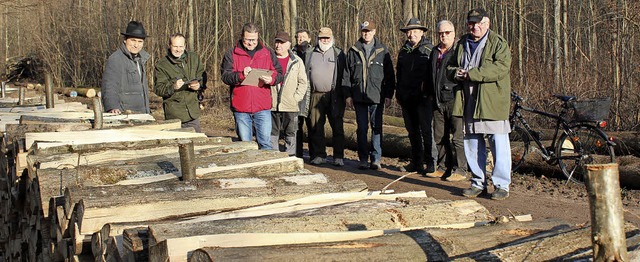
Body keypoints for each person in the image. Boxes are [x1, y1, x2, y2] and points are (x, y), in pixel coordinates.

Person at [448, 8, 512, 200]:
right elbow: (450, 67)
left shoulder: (498, 43)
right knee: (472, 143)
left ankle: (501, 185)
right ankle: (478, 183)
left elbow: (500, 68)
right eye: (471, 23)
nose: (474, 27)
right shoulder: (461, 44)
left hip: (492, 102)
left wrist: (472, 74)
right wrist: (455, 73)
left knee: (498, 144)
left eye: (478, 23)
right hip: (468, 100)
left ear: (487, 23)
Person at [221, 22, 283, 150]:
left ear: (258, 37)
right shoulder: (231, 53)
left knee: (266, 144)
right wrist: (241, 75)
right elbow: (225, 76)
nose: (251, 43)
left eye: (254, 40)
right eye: (247, 40)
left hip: (262, 106)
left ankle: (266, 169)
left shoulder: (268, 52)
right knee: (245, 146)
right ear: (241, 37)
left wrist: (272, 79)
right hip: (241, 107)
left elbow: (280, 74)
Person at [344, 20, 396, 170]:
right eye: (364, 31)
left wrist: (388, 95)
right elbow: (346, 75)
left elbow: (389, 76)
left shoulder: (382, 50)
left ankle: (376, 159)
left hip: (377, 96)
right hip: (358, 96)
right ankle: (362, 158)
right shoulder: (353, 50)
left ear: (374, 32)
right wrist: (348, 95)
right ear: (361, 32)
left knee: (377, 127)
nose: (366, 34)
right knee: (361, 128)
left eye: (369, 31)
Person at [428, 20, 469, 182]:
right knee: (439, 136)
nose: (443, 36)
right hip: (437, 100)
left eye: (447, 33)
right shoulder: (434, 51)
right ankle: (443, 167)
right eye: (440, 33)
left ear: (453, 33)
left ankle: (461, 169)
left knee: (457, 137)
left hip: (455, 99)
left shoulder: (458, 51)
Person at [395, 18, 435, 175]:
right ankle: (416, 162)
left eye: (414, 31)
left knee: (427, 131)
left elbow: (434, 75)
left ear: (422, 32)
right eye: (408, 32)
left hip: (423, 98)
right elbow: (399, 73)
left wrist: (430, 93)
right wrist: (398, 93)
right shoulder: (403, 51)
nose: (411, 34)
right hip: (406, 98)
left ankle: (431, 162)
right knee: (412, 132)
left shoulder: (429, 50)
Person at [305, 27, 347, 166]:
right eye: (322, 38)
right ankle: (319, 155)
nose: (325, 40)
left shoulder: (339, 53)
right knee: (316, 126)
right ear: (318, 38)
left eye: (327, 38)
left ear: (332, 38)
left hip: (334, 96)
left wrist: (346, 95)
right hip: (315, 95)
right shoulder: (310, 53)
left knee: (337, 126)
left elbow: (345, 75)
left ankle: (338, 157)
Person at [154, 33, 205, 132]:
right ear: (169, 45)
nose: (178, 49)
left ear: (185, 46)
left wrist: (199, 85)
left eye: (181, 46)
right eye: (175, 46)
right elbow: (158, 89)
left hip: (192, 113)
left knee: (197, 144)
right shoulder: (162, 65)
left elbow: (202, 77)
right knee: (176, 145)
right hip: (174, 116)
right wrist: (173, 87)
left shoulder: (194, 58)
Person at [270, 31, 308, 155]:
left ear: (288, 44)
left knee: (291, 133)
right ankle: (273, 157)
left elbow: (303, 82)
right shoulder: (268, 59)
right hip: (272, 104)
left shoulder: (296, 61)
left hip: (290, 105)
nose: (278, 45)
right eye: (277, 42)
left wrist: (295, 98)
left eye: (282, 42)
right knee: (272, 132)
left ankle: (290, 157)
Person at [102, 21, 151, 114]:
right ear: (125, 39)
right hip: (125, 115)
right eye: (133, 40)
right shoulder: (116, 59)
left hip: (142, 114)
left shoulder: (140, 60)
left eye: (140, 41)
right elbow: (109, 86)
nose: (136, 45)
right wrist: (112, 107)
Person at [293, 29, 313, 158]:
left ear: (309, 39)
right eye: (299, 37)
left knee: (312, 125)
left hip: (312, 93)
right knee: (296, 125)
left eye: (304, 37)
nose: (301, 39)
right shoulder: (291, 53)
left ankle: (314, 154)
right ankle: (297, 153)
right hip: (296, 92)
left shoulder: (314, 53)